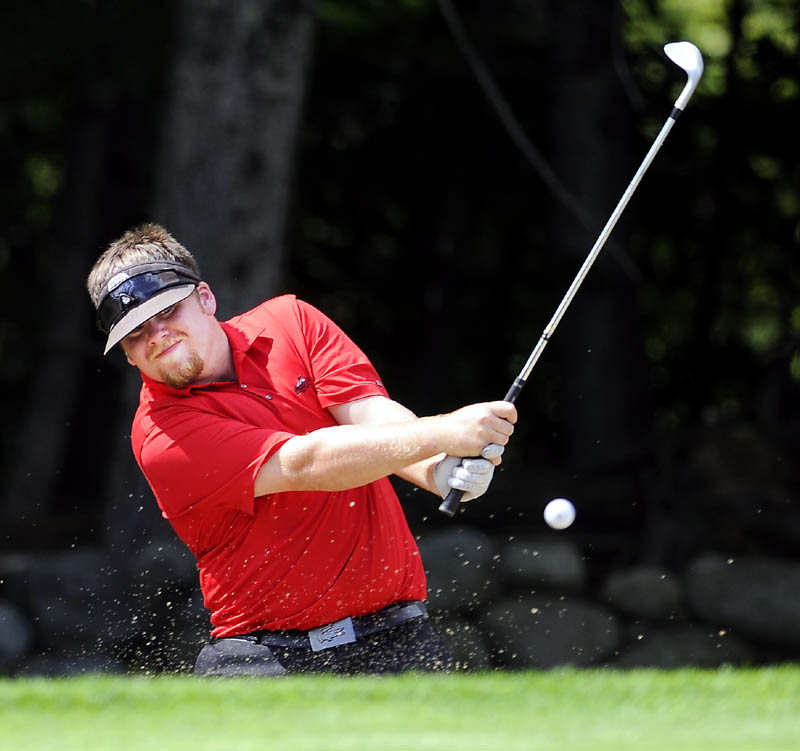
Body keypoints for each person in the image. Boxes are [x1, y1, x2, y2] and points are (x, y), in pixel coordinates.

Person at [87, 223, 517, 676]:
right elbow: (305, 462)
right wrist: (446, 432)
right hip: (265, 662)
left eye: (168, 311)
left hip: (399, 640)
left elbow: (371, 417)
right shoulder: (161, 434)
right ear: (128, 356)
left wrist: (437, 470)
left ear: (206, 299)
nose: (156, 335)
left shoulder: (291, 321)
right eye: (135, 334)